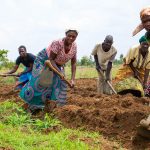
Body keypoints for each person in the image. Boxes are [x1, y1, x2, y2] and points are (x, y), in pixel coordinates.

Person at [20, 29, 78, 111]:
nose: (71, 38)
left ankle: (53, 106)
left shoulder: (74, 46)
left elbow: (73, 63)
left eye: (73, 37)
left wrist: (72, 79)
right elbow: (51, 60)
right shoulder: (57, 43)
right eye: (69, 36)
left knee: (58, 83)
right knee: (42, 83)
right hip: (44, 60)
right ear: (65, 35)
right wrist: (59, 73)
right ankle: (33, 105)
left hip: (56, 64)